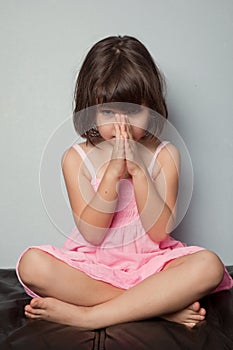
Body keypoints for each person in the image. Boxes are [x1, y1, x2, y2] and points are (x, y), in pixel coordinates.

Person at [16, 35, 233, 329]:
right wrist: (112, 173)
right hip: (93, 268)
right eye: (108, 112)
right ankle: (157, 306)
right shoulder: (76, 157)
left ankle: (91, 315)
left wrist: (140, 171)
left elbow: (159, 233)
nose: (122, 124)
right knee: (31, 264)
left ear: (152, 107)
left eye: (133, 112)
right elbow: (92, 234)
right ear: (90, 109)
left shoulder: (165, 154)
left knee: (209, 266)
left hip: (150, 265)